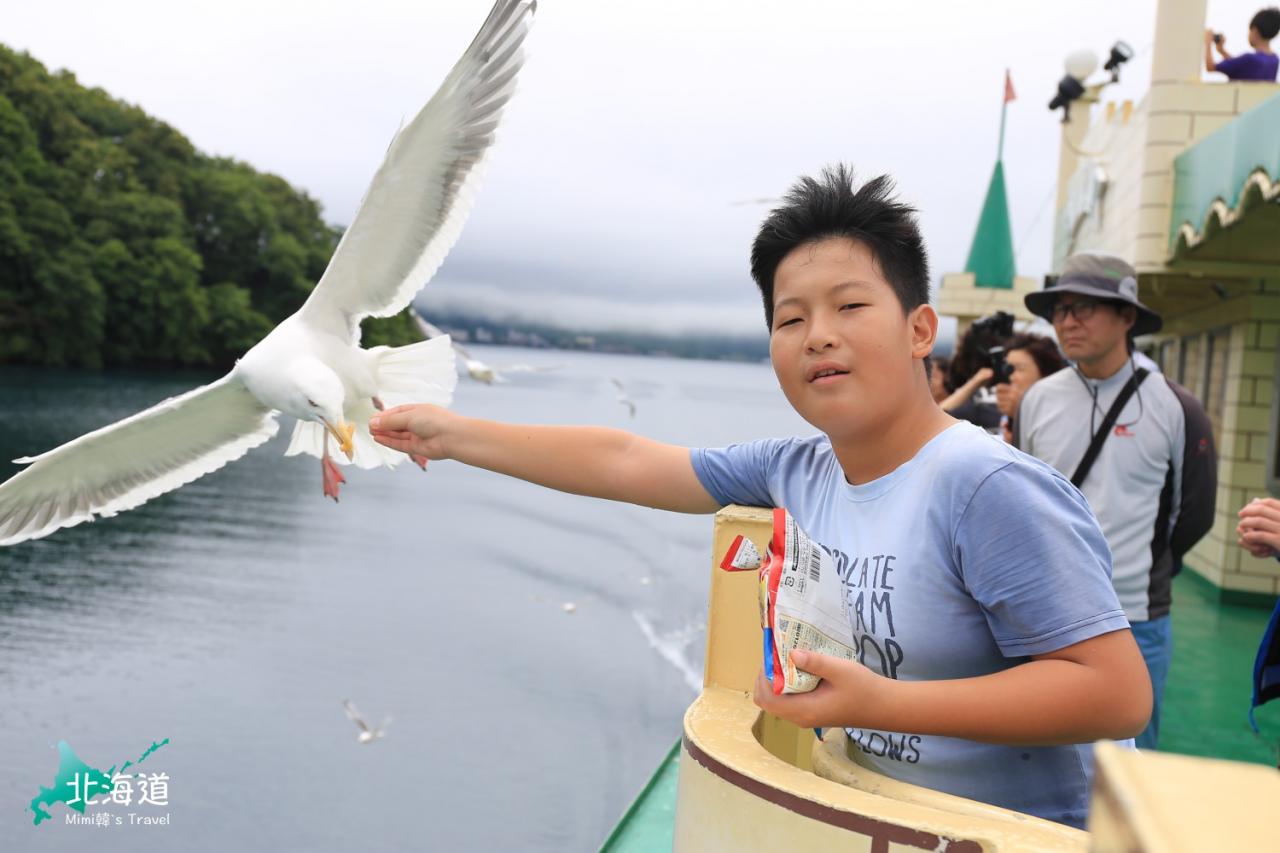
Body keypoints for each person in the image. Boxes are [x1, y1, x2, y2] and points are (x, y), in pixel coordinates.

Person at [369, 166, 1151, 827]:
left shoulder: (984, 487)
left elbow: (1116, 693)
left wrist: (878, 702)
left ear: (921, 330)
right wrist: (450, 433)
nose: (817, 334)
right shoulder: (799, 468)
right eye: (789, 317)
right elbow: (627, 458)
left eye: (849, 306)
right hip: (888, 824)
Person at [1017, 253, 1217, 751]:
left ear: (1128, 316)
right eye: (1060, 309)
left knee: (1130, 768)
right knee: (1039, 757)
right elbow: (1015, 502)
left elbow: (1194, 513)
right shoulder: (1037, 400)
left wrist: (1142, 570)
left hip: (1136, 617)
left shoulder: (1176, 407)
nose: (1068, 321)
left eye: (1085, 307)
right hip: (1043, 614)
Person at [997, 333, 1067, 444]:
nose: (1010, 376)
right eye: (1008, 368)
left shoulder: (1061, 413)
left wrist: (1020, 413)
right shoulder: (1007, 415)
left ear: (1045, 373)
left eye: (1019, 368)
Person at [1205, 8, 1280, 81]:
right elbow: (1238, 66)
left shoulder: (1248, 59)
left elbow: (1211, 67)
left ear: (1254, 31)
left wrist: (1208, 42)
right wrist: (1221, 50)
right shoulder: (1274, 60)